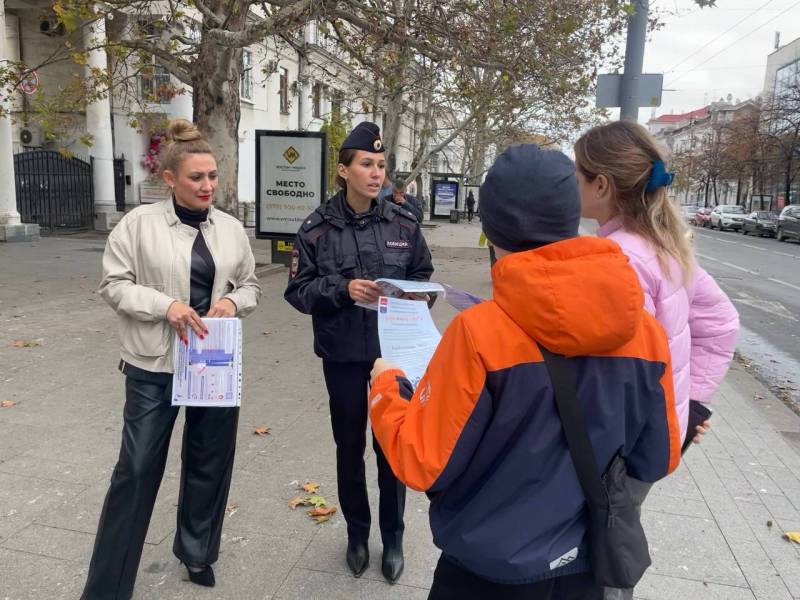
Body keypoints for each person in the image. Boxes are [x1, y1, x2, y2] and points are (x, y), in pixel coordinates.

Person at [368, 144, 682, 600]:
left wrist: (385, 388)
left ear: (490, 229)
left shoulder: (479, 334)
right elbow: (658, 457)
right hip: (585, 564)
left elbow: (421, 465)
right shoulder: (647, 333)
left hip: (486, 569)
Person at [81, 119, 261, 599]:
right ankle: (107, 585)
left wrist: (231, 303)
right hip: (152, 364)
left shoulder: (230, 229)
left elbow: (250, 285)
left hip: (214, 362)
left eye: (213, 176)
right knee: (136, 469)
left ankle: (197, 552)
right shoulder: (137, 225)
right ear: (170, 179)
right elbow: (113, 285)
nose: (208, 186)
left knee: (209, 460)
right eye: (197, 177)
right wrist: (167, 306)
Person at [574, 121, 739, 600]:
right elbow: (723, 324)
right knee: (616, 540)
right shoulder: (666, 247)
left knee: (598, 558)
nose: (572, 183)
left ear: (601, 184)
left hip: (617, 451)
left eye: (577, 173)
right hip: (655, 440)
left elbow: (611, 374)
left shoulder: (614, 258)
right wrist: (691, 406)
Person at [284, 122, 434, 584]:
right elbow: (298, 291)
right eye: (366, 165)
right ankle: (356, 532)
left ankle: (393, 537)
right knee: (349, 447)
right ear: (344, 171)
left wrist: (412, 295)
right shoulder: (315, 230)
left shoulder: (403, 225)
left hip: (394, 356)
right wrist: (343, 288)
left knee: (391, 446)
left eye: (381, 165)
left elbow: (425, 277)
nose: (376, 173)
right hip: (345, 356)